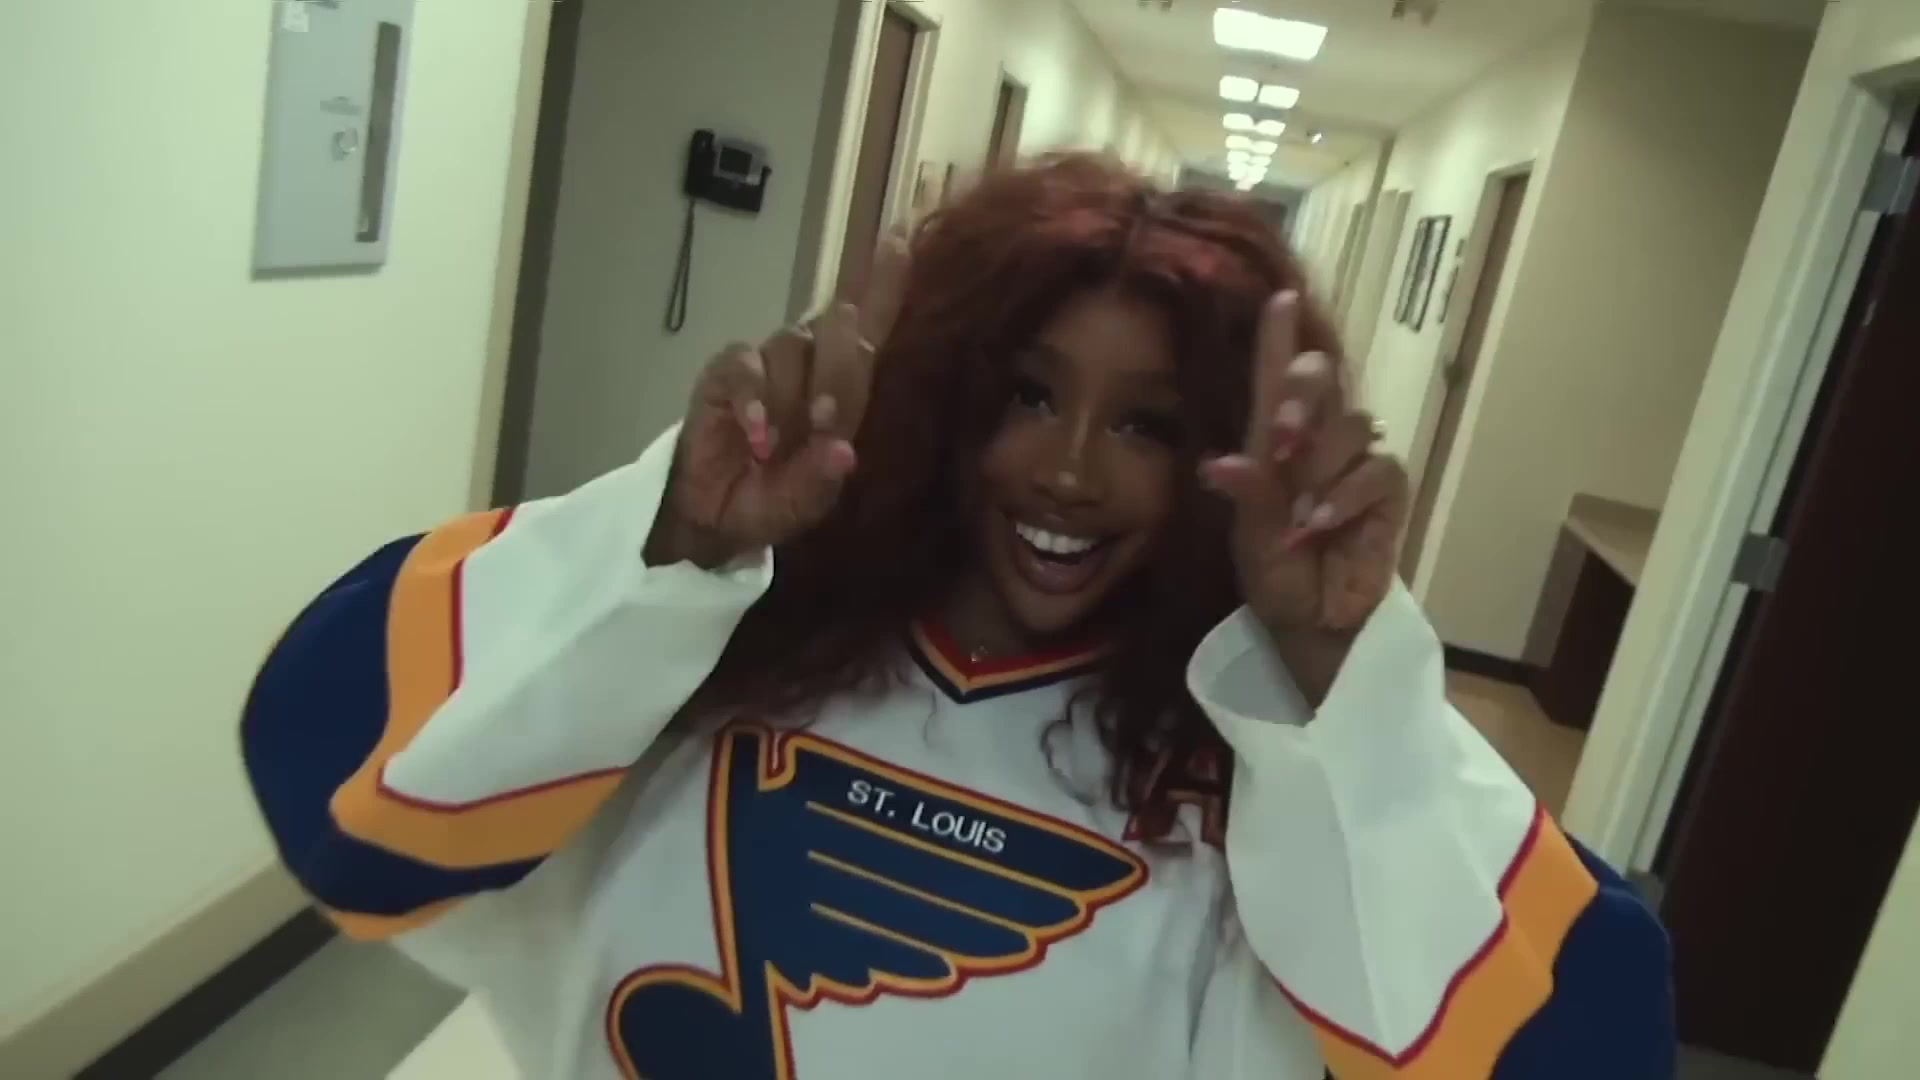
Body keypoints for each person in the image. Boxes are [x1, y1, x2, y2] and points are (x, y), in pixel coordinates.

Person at [241, 155, 1673, 1079]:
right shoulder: (719, 646)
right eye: (1028, 395)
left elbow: (1579, 1028)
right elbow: (338, 772)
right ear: (940, 395)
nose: (1068, 471)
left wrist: (1333, 676)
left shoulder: (1253, 797)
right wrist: (673, 537)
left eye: (1149, 424)